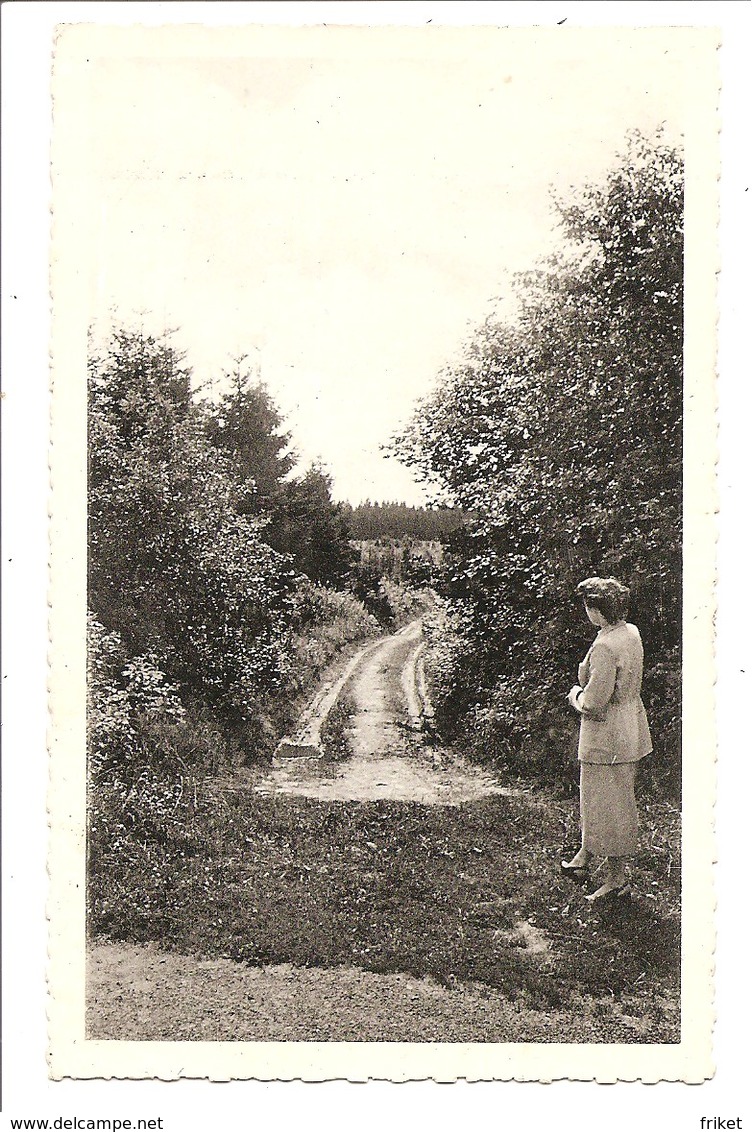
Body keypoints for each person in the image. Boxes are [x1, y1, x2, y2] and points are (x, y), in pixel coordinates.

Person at [561, 577, 652, 902]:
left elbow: (594, 702)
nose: (587, 612)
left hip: (607, 736)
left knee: (610, 804)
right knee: (601, 798)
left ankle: (617, 878)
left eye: (589, 606)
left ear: (598, 610)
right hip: (629, 728)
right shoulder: (629, 633)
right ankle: (585, 855)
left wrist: (574, 695)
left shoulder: (605, 646)